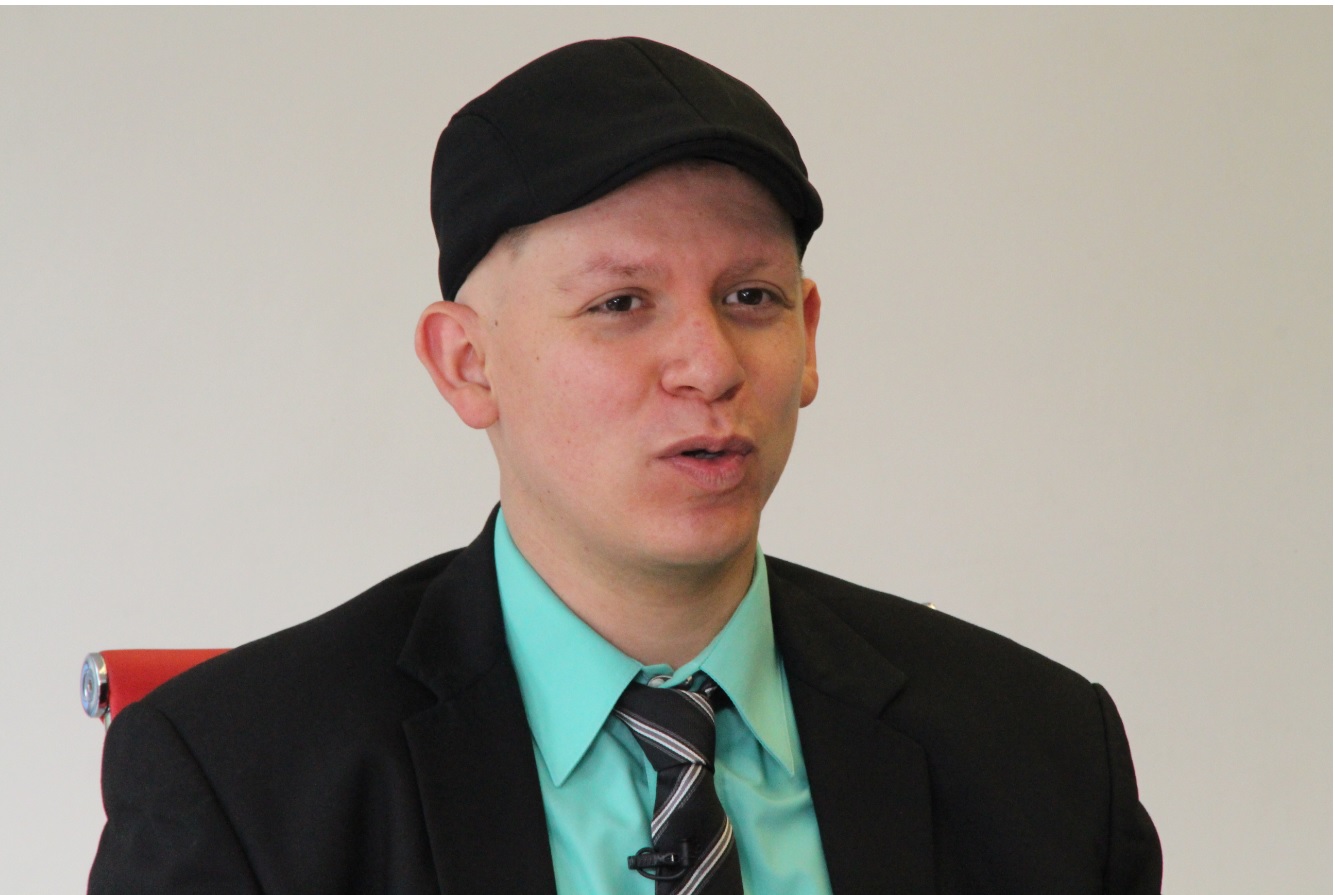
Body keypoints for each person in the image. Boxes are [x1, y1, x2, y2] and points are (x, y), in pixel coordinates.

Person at [89, 37, 1161, 895]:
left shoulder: (1042, 754)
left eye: (750, 297)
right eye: (620, 303)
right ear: (467, 364)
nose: (710, 364)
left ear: (808, 338)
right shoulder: (241, 779)